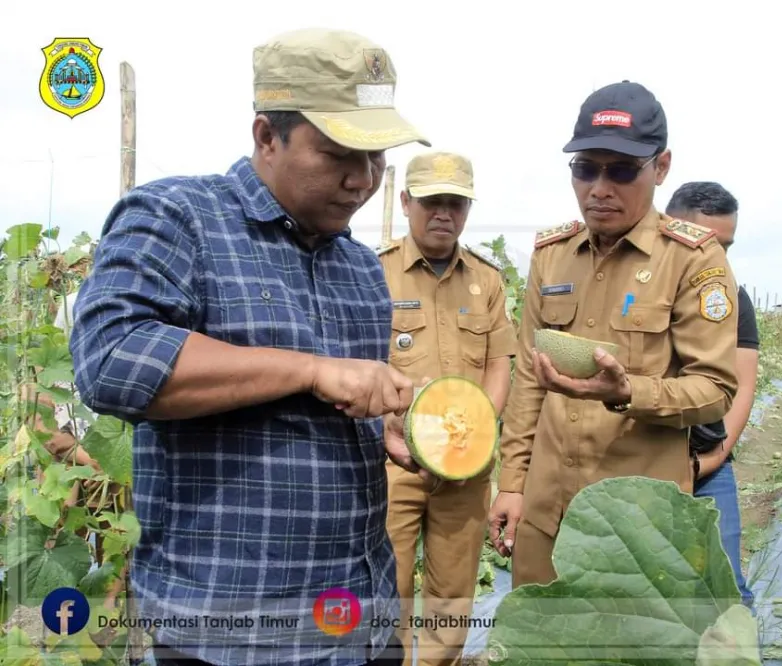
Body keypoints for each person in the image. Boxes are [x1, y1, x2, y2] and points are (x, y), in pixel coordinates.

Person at [69, 29, 434, 666]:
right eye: (340, 153)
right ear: (267, 135)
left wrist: (387, 429)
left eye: (377, 156)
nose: (363, 178)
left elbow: (325, 407)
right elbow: (112, 361)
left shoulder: (361, 268)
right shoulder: (178, 216)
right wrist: (312, 370)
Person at [487, 80, 740, 588]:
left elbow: (716, 390)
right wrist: (512, 484)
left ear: (661, 167)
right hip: (547, 513)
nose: (599, 188)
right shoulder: (552, 255)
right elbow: (529, 382)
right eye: (585, 169)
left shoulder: (692, 259)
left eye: (622, 170)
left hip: (638, 525)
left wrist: (631, 393)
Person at [377, 151, 518, 666]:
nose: (444, 213)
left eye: (456, 203)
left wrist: (481, 427)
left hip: (467, 466)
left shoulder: (487, 280)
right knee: (385, 584)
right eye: (433, 201)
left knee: (453, 594)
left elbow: (500, 364)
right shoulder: (376, 272)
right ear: (407, 201)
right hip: (395, 463)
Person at [665, 181, 759, 609]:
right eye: (706, 242)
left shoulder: (731, 299)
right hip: (641, 464)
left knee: (727, 590)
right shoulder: (638, 287)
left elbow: (742, 385)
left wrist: (716, 457)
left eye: (726, 246)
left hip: (705, 464)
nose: (716, 257)